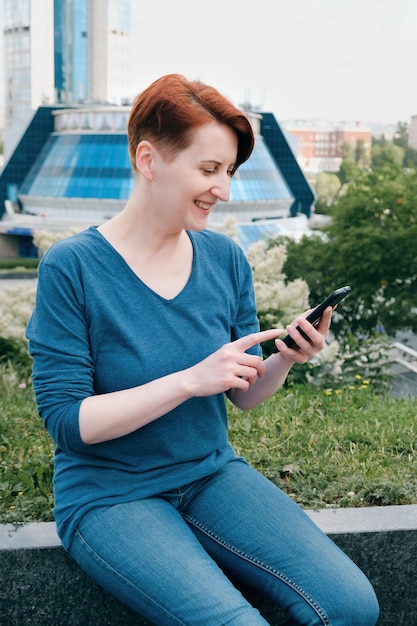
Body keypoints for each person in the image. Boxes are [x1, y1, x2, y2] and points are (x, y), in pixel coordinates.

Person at [26, 74, 379, 626]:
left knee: (353, 606)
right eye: (209, 169)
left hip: (212, 475)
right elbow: (70, 423)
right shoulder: (72, 267)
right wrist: (190, 380)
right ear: (149, 159)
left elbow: (243, 395)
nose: (225, 189)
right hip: (110, 496)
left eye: (230, 172)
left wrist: (286, 355)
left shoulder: (225, 259)